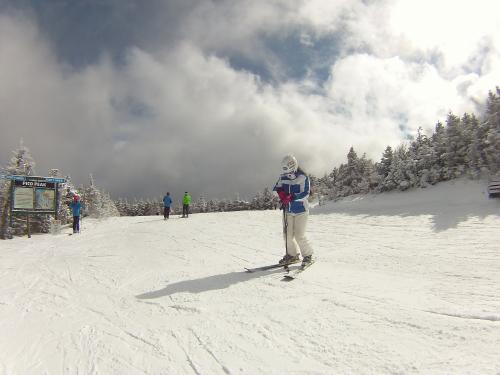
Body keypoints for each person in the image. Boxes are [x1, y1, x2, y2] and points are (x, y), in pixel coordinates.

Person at [273, 154, 314, 267]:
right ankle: (292, 255)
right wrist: (281, 195)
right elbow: (276, 188)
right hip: (288, 210)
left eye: (286, 169)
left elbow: (305, 193)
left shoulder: (303, 177)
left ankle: (308, 255)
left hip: (301, 210)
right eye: (284, 169)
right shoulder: (283, 177)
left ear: (292, 165)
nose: (285, 171)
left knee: (299, 235)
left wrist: (291, 197)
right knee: (287, 235)